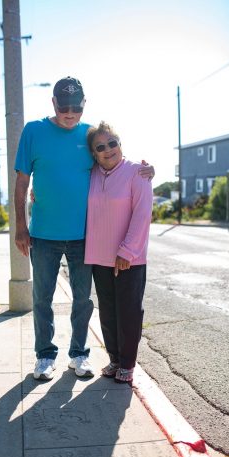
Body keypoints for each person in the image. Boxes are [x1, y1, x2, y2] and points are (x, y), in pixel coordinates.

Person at [14, 76, 154, 381]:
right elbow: (23, 181)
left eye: (75, 107)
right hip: (43, 235)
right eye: (64, 107)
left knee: (83, 301)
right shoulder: (34, 131)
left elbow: (112, 166)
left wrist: (147, 171)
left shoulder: (89, 136)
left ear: (83, 105)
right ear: (53, 104)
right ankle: (44, 356)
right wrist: (20, 226)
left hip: (83, 239)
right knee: (41, 299)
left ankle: (79, 355)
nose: (70, 113)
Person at [85, 121, 153, 385]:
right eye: (100, 147)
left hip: (129, 258)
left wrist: (127, 251)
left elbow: (142, 214)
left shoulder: (138, 172)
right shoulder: (90, 174)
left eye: (112, 143)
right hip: (99, 256)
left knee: (129, 312)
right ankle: (114, 359)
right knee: (108, 312)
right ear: (94, 153)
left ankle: (127, 363)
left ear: (120, 144)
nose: (108, 149)